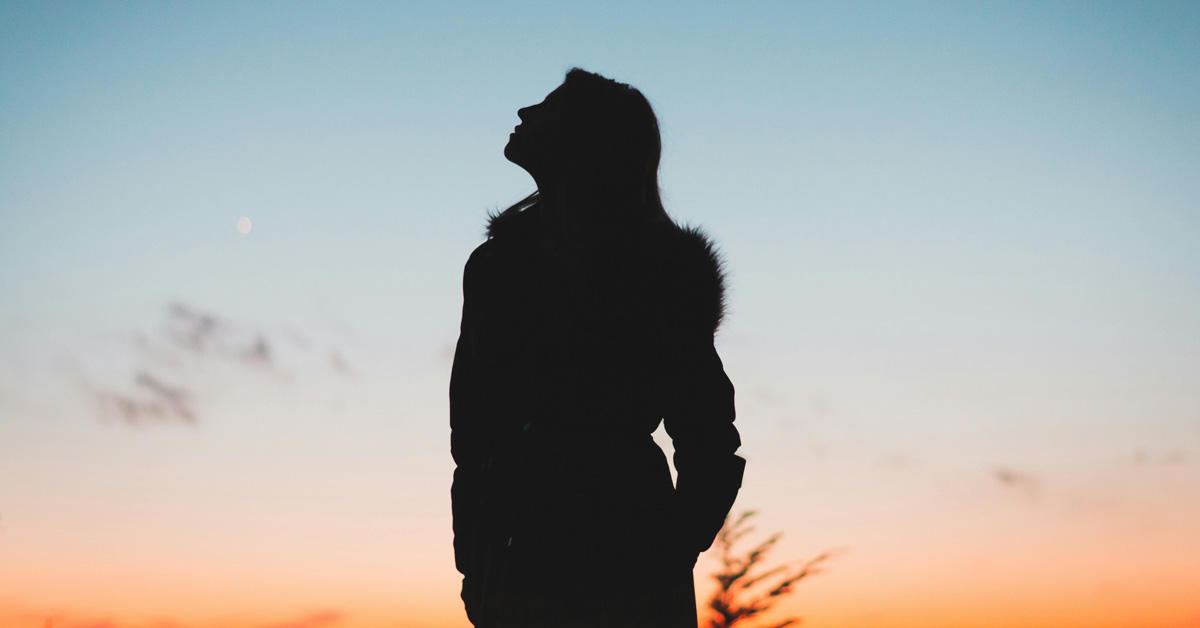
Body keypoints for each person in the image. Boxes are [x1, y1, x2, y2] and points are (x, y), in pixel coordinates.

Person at [450, 68, 745, 628]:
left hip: (628, 592)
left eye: (551, 104)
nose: (526, 112)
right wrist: (475, 567)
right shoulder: (493, 270)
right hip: (513, 579)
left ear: (588, 143)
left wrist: (659, 558)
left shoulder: (660, 276)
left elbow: (711, 448)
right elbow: (472, 438)